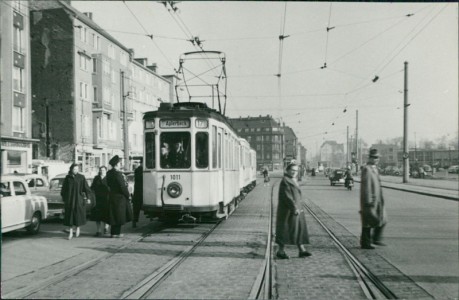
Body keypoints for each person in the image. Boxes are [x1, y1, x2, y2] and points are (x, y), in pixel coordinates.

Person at [275, 162, 311, 259]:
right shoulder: (285, 181)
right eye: (292, 170)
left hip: (296, 209)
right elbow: (287, 197)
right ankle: (280, 251)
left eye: (296, 171)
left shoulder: (292, 180)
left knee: (298, 229)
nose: (294, 172)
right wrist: (294, 208)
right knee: (286, 230)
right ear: (287, 170)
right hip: (288, 211)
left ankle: (301, 250)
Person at [360, 149, 387, 249]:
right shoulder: (367, 169)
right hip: (370, 200)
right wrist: (368, 200)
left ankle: (376, 238)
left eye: (378, 157)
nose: (377, 159)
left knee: (382, 219)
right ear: (370, 158)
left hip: (377, 199)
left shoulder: (374, 169)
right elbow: (366, 186)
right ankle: (365, 243)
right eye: (375, 157)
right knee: (367, 222)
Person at [61, 163, 92, 240]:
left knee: (78, 215)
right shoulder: (67, 178)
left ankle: (78, 228)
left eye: (77, 169)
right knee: (70, 216)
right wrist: (65, 198)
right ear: (71, 169)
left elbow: (86, 188)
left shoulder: (81, 177)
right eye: (74, 169)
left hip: (78, 199)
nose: (76, 170)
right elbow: (63, 190)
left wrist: (88, 198)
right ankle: (71, 232)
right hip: (70, 200)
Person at [106, 155, 132, 238]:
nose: (120, 165)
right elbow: (122, 186)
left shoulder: (109, 173)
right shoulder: (118, 174)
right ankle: (116, 233)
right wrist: (128, 195)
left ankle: (113, 233)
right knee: (119, 216)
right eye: (119, 164)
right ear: (116, 165)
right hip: (120, 198)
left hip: (112, 196)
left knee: (113, 215)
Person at [90, 166, 110, 236]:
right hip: (98, 199)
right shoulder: (96, 178)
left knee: (106, 215)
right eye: (101, 170)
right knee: (97, 216)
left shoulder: (108, 178)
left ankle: (106, 227)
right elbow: (92, 187)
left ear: (106, 171)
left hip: (106, 199)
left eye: (103, 170)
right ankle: (98, 231)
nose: (102, 171)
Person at [132, 163, 143, 228]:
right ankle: (134, 220)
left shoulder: (137, 170)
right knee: (136, 206)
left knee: (136, 207)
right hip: (140, 190)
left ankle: (134, 220)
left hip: (138, 191)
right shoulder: (139, 170)